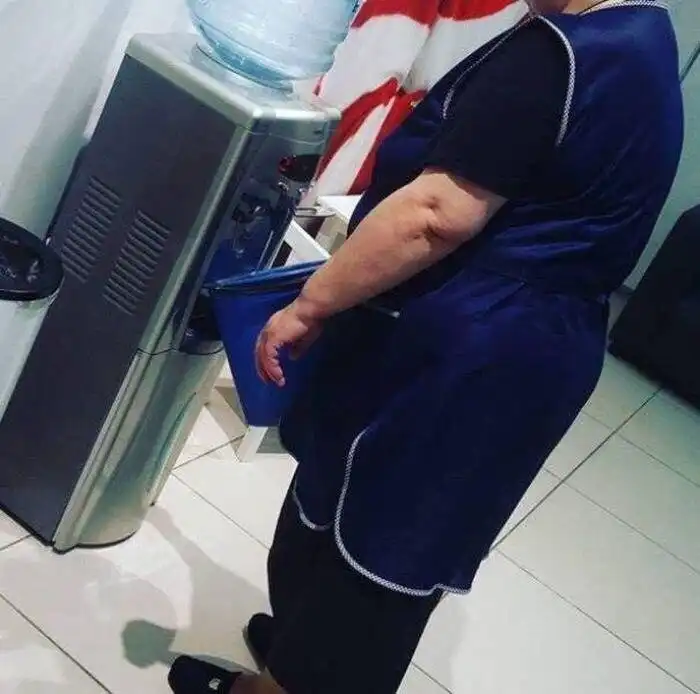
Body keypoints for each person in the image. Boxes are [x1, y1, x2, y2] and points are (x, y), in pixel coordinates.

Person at [169, 0, 684, 692]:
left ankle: (289, 682)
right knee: (403, 525)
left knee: (376, 539)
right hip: (542, 342)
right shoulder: (645, 35)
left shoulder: (555, 57)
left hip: (472, 344)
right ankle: (298, 654)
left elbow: (436, 214)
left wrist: (312, 302)